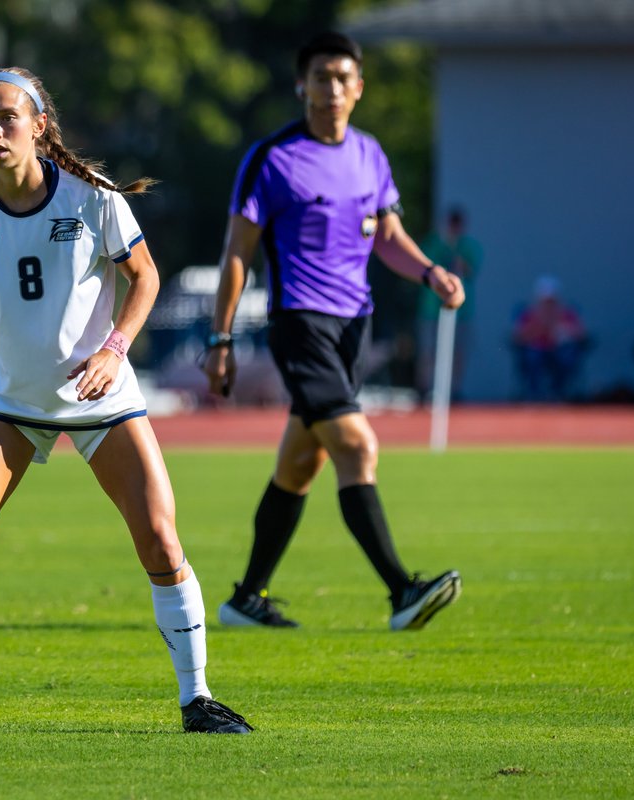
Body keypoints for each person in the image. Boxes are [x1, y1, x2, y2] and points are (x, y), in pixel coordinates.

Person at [0, 68, 253, 736]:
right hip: (9, 400)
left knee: (159, 536)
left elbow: (144, 277)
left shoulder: (93, 199)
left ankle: (198, 698)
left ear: (39, 124)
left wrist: (113, 348)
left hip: (103, 398)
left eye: (7, 117)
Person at [202, 33, 466, 632]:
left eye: (344, 78)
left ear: (360, 88)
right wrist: (219, 341)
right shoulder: (271, 158)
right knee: (357, 446)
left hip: (355, 327)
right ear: (302, 85)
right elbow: (237, 254)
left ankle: (246, 599)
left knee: (299, 463)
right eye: (321, 77)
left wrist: (431, 273)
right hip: (300, 324)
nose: (333, 89)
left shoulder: (370, 154)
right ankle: (402, 592)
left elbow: (389, 239)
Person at [416, 206, 482, 401]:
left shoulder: (469, 246)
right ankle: (425, 390)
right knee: (428, 352)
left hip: (460, 311)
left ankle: (454, 391)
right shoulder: (433, 243)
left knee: (457, 353)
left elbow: (471, 269)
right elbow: (424, 266)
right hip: (431, 309)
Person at [512, 275, 588, 401]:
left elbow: (582, 335)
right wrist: (538, 328)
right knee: (532, 356)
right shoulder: (529, 315)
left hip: (558, 353)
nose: (549, 305)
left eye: (552, 301)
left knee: (567, 357)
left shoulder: (567, 315)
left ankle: (559, 393)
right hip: (538, 353)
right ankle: (534, 395)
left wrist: (563, 329)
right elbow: (517, 337)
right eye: (545, 301)